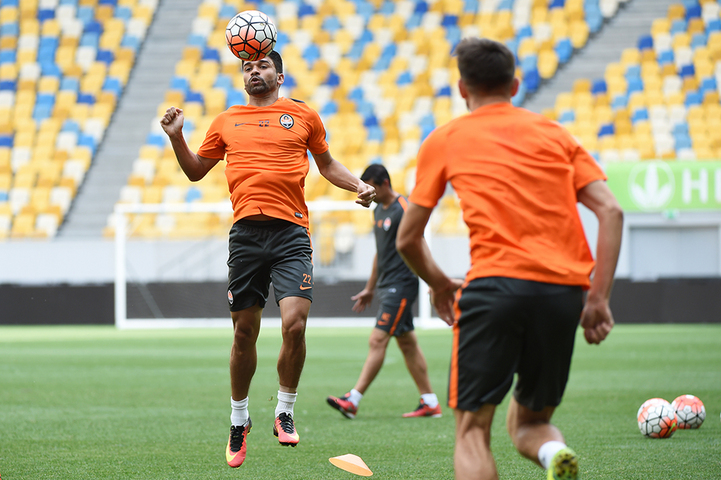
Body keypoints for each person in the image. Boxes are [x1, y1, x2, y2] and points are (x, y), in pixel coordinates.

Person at [395, 38, 623, 480]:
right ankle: (554, 453)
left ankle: (552, 454)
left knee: (471, 433)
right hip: (562, 294)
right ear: (515, 85)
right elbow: (611, 211)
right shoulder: (557, 135)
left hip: (494, 289)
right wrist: (598, 299)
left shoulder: (446, 138)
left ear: (462, 89)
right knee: (531, 422)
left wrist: (440, 284)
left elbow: (407, 238)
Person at [159, 50, 376, 469]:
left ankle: (285, 409)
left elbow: (327, 164)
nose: (253, 71)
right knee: (244, 332)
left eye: (262, 66)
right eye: (247, 67)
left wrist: (358, 185)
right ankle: (239, 419)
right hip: (246, 237)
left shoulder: (303, 115)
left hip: (291, 235)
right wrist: (176, 137)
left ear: (280, 75)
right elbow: (196, 171)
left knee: (295, 324)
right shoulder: (226, 121)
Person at [326, 163, 442, 420]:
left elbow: (420, 243)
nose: (367, 192)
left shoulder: (403, 208)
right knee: (407, 343)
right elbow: (380, 252)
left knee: (377, 340)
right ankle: (430, 402)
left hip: (402, 285)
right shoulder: (378, 210)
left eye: (371, 187)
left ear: (385, 184)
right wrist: (369, 288)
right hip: (386, 285)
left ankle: (353, 400)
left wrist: (434, 282)